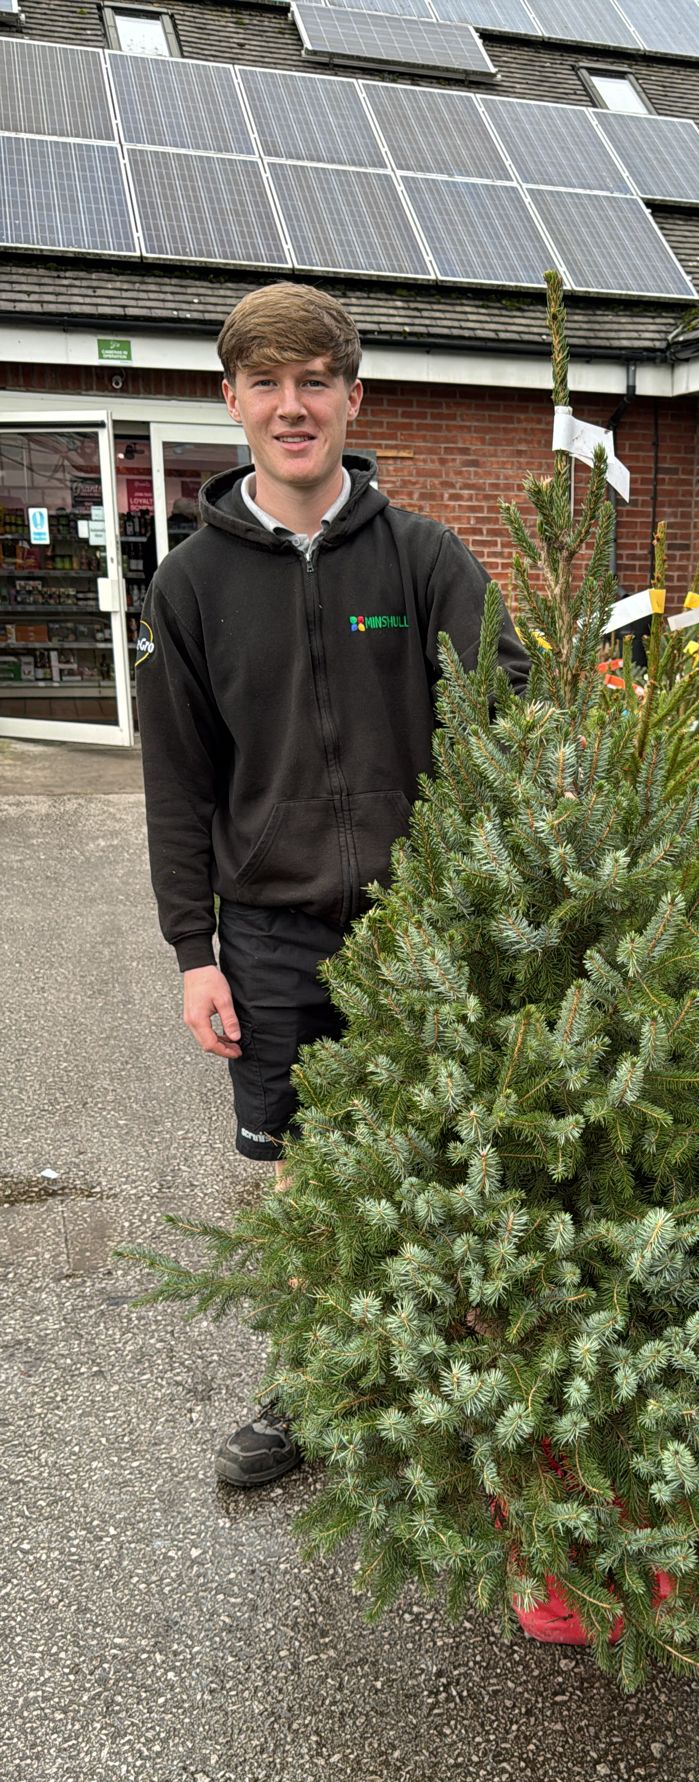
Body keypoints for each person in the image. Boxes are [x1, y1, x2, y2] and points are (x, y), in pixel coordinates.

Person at [136, 282, 529, 1490]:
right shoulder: (191, 585)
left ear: (355, 398)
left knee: (451, 1149)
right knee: (306, 1177)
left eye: (316, 381)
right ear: (232, 401)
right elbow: (178, 781)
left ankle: (455, 1381)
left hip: (429, 925)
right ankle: (316, 1378)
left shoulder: (423, 558)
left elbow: (507, 708)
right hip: (271, 933)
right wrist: (194, 953)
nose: (292, 405)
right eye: (267, 382)